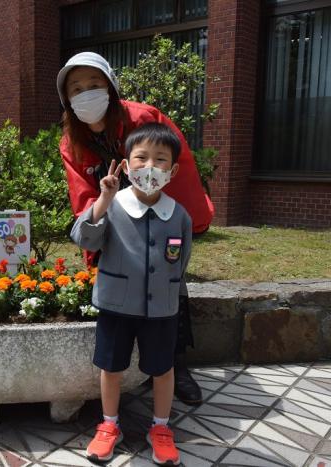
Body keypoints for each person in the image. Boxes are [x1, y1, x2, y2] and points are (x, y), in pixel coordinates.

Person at [57, 51, 210, 405]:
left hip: (161, 212)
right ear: (67, 99)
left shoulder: (143, 118)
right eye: (76, 88)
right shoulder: (71, 142)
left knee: (172, 283)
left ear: (110, 86)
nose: (86, 93)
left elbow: (178, 163)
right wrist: (92, 243)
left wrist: (184, 219)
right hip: (117, 217)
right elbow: (82, 193)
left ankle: (175, 364)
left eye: (94, 84)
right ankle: (132, 371)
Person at [71, 123, 191, 465]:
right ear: (125, 164)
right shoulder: (113, 204)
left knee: (162, 368)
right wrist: (102, 200)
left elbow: (180, 261)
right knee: (111, 367)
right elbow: (84, 239)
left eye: (160, 159)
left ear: (174, 169)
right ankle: (109, 425)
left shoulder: (177, 214)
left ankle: (161, 428)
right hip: (115, 304)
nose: (149, 167)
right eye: (141, 157)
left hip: (162, 308)